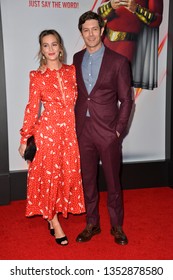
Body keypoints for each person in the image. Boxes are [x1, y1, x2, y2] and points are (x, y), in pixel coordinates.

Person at [18, 29, 85, 246]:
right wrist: (24, 138)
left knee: (63, 175)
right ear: (42, 50)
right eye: (46, 45)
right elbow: (32, 108)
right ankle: (54, 222)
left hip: (68, 135)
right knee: (48, 179)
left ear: (60, 47)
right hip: (47, 133)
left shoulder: (71, 71)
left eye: (54, 44)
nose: (51, 49)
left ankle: (51, 213)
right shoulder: (37, 76)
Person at [73, 11, 133, 245]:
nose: (90, 34)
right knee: (87, 180)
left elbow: (126, 100)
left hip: (107, 131)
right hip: (83, 130)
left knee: (112, 181)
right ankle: (92, 223)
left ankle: (116, 226)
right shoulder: (77, 59)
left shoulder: (118, 61)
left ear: (102, 30)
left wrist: (118, 130)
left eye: (94, 29)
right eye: (86, 30)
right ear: (82, 33)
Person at [98, 0, 163, 89]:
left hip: (127, 46)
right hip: (106, 43)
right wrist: (110, 5)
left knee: (121, 88)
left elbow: (156, 20)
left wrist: (136, 9)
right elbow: (100, 13)